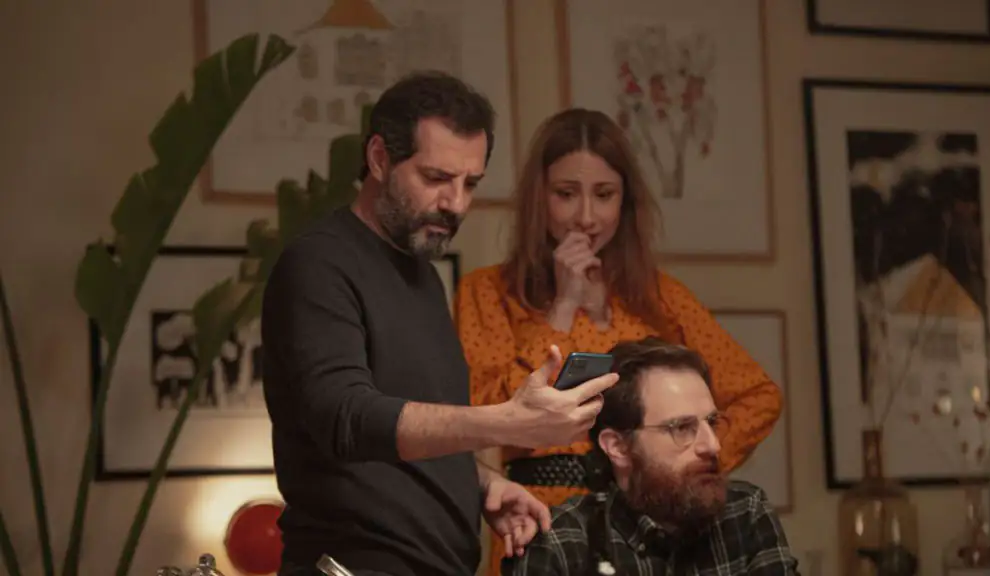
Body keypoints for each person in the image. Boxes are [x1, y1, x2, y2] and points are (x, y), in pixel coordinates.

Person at [260, 72, 619, 576]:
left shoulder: (424, 276)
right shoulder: (320, 263)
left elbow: (410, 431)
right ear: (379, 158)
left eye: (470, 183)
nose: (456, 203)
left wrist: (482, 483)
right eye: (435, 178)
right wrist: (509, 421)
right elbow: (345, 417)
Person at [453, 108, 784, 574]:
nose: (586, 217)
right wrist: (563, 307)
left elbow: (759, 397)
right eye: (566, 194)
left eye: (604, 195)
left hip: (651, 526)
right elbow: (483, 414)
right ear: (539, 198)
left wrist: (682, 467)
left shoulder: (661, 297)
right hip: (541, 517)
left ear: (625, 201)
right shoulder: (487, 292)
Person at [503, 337, 798, 575]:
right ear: (617, 447)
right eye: (682, 428)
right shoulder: (560, 544)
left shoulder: (745, 513)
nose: (712, 446)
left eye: (711, 422)